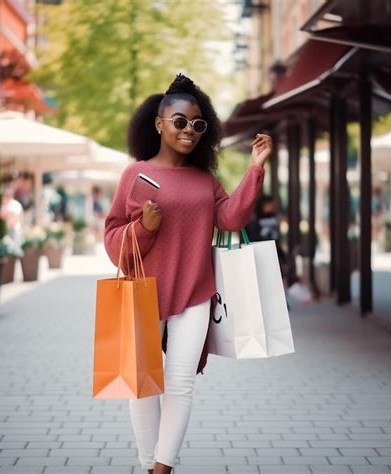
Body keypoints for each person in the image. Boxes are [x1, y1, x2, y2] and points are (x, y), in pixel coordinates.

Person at [103, 74, 272, 474]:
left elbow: (231, 219)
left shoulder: (204, 180)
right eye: (180, 122)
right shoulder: (135, 175)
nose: (189, 131)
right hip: (145, 290)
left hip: (195, 293)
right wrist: (144, 227)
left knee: (180, 384)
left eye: (198, 125)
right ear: (159, 124)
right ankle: (149, 464)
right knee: (143, 385)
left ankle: (162, 468)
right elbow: (112, 241)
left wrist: (254, 170)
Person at [246, 194, 286, 270]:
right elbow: (252, 238)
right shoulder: (254, 220)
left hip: (275, 252)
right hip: (261, 252)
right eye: (269, 204)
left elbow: (277, 238)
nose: (272, 206)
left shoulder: (274, 218)